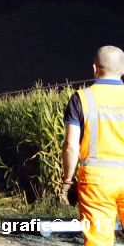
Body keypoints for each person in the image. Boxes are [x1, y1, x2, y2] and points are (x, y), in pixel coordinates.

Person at [61, 45, 124, 245]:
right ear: (122, 70)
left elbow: (71, 146)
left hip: (96, 181)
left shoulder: (82, 98)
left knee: (98, 241)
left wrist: (67, 182)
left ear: (95, 68)